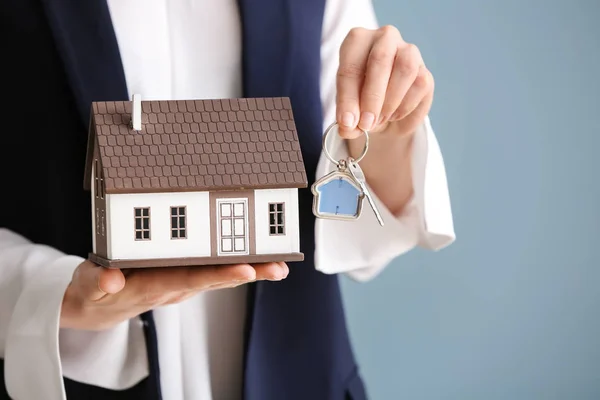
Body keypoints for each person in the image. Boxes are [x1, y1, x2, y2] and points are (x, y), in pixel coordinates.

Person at [0, 0, 455, 399]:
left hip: (302, 373)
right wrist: (47, 292)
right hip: (62, 369)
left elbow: (357, 197)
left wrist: (391, 133)